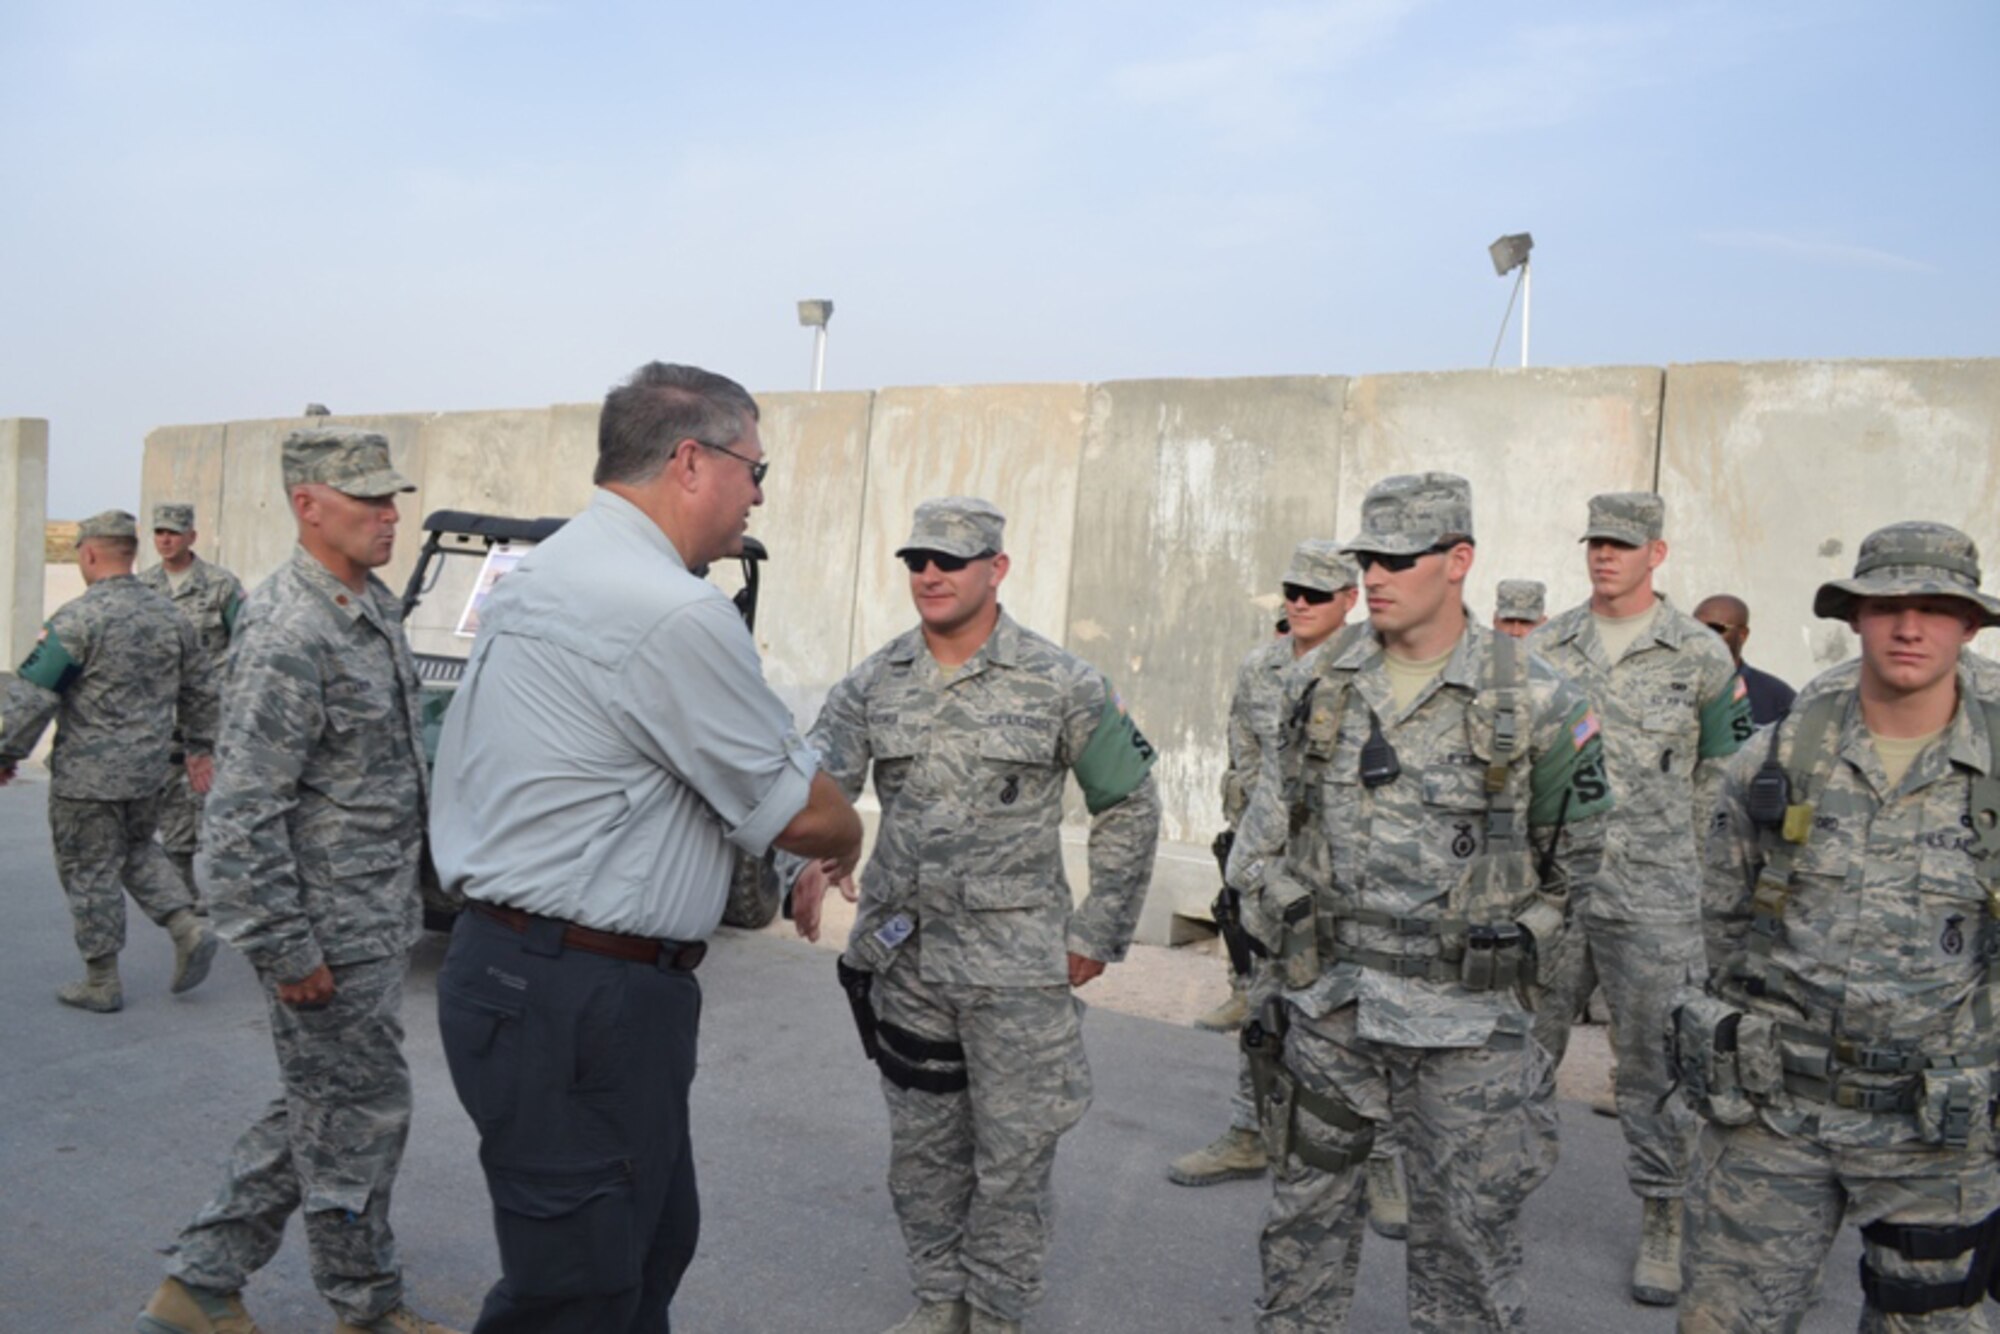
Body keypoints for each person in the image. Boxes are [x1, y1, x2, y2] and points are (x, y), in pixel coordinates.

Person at [428, 362, 862, 1334]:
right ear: (691, 460)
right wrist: (841, 831)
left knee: (642, 1248)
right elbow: (804, 809)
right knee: (576, 1293)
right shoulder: (669, 608)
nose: (760, 491)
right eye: (756, 466)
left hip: (536, 978)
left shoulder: (551, 574)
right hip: (578, 999)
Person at [1225, 472, 1611, 1332]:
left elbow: (1576, 866)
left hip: (1467, 1031)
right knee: (1303, 1229)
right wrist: (1277, 938)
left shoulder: (1537, 698)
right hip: (1332, 1015)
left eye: (1400, 558)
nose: (1376, 577)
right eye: (1369, 558)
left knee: (1466, 1245)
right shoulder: (1318, 684)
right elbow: (1262, 837)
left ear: (1459, 560)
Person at [786, 496, 1161, 1334]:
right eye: (918, 559)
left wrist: (1099, 928)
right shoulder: (875, 681)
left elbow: (1130, 803)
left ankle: (996, 1316)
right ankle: (938, 1302)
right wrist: (812, 854)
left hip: (1018, 975)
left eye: (951, 560)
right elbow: (816, 788)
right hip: (906, 962)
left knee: (1014, 1162)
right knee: (922, 1159)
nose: (930, 574)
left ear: (997, 569)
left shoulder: (1062, 681)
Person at [138, 430, 456, 1334]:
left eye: (393, 497)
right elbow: (238, 818)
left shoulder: (369, 603)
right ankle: (365, 1306)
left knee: (320, 1108)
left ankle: (200, 1281)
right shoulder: (291, 626)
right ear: (306, 504)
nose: (389, 514)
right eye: (366, 500)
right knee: (361, 1115)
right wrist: (286, 948)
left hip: (370, 919)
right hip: (323, 933)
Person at [1679, 521, 2000, 1331]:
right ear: (1854, 616)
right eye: (1889, 605)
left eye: (1936, 607)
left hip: (1937, 1131)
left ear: (1969, 623)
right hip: (1775, 1114)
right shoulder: (1779, 757)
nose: (1910, 627)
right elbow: (1721, 918)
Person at [1528, 492, 1753, 1306]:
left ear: (1656, 554)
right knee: (1520, 1044)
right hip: (1555, 888)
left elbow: (1723, 776)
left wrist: (1689, 868)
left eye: (1622, 545)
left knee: (1656, 1066)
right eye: (1595, 542)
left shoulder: (1698, 652)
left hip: (1654, 897)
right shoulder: (1548, 644)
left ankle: (1663, 1216)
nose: (1604, 556)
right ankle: (1491, 1192)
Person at [1174, 541, 1409, 1240]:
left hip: (1356, 881)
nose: (1300, 603)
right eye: (1292, 591)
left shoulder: (1377, 668)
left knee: (1371, 1021)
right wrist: (1246, 863)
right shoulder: (1261, 666)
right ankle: (1250, 1131)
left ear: (1349, 600)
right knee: (1264, 1011)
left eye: (1316, 593)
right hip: (1276, 873)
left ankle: (1384, 1161)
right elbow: (1244, 761)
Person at [0, 509, 219, 1011]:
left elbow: (35, 696)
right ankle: (187, 928)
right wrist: (199, 748)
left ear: (89, 553)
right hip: (148, 771)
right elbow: (204, 689)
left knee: (90, 869)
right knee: (140, 851)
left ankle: (101, 981)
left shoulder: (77, 619)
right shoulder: (172, 617)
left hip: (88, 778)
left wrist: (6, 752)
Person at [139, 502, 246, 895]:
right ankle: (182, 882)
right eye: (159, 532)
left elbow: (246, 643)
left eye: (174, 532)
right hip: (164, 714)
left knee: (223, 795)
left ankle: (237, 887)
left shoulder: (220, 585)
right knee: (173, 797)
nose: (165, 540)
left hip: (214, 713)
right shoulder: (143, 587)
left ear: (191, 537)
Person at [1694, 593, 1797, 726]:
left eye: (1715, 629)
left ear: (1742, 635)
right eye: (1694, 628)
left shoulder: (1777, 698)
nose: (1701, 637)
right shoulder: (1667, 684)